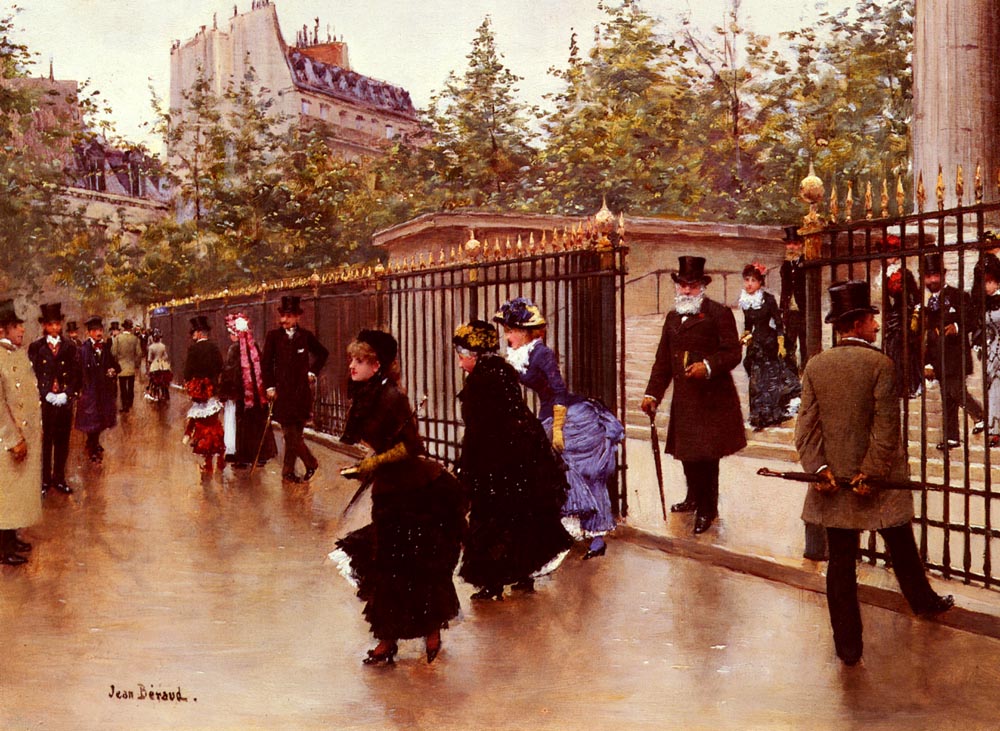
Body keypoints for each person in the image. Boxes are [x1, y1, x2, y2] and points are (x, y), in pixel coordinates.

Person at [796, 280, 954, 666]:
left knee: (841, 563)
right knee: (899, 541)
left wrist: (818, 469)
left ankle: (848, 648)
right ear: (858, 322)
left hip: (833, 481)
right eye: (872, 320)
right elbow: (885, 430)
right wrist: (871, 473)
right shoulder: (881, 364)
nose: (877, 326)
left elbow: (805, 429)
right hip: (876, 482)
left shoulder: (816, 365)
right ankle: (923, 602)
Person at [329, 329, 465, 665]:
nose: (352, 366)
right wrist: (370, 464)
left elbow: (411, 447)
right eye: (351, 359)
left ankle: (429, 633)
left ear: (377, 365)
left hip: (413, 491)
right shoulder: (367, 394)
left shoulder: (391, 397)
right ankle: (388, 640)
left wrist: (370, 464)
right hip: (389, 490)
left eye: (359, 360)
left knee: (413, 565)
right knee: (387, 566)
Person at [493, 298, 624, 559]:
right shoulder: (523, 354)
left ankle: (595, 537)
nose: (507, 337)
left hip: (569, 416)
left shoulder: (542, 354)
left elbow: (559, 391)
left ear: (525, 332)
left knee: (579, 474)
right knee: (564, 474)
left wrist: (558, 429)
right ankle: (572, 532)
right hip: (549, 414)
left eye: (511, 331)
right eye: (506, 331)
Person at [453, 320, 573, 597]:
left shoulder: (482, 381)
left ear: (474, 355)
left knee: (492, 519)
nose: (460, 364)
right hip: (520, 456)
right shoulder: (500, 372)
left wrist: (467, 466)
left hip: (498, 461)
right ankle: (522, 575)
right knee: (519, 516)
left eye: (462, 357)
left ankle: (493, 582)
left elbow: (481, 430)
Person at [640, 256, 747, 534]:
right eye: (683, 285)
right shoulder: (673, 318)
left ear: (702, 286)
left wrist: (708, 366)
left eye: (692, 285)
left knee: (707, 457)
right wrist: (652, 394)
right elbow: (663, 359)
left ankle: (708, 508)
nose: (686, 291)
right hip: (685, 400)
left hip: (712, 399)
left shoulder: (718, 313)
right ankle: (692, 497)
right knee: (688, 453)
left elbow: (733, 352)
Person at [920, 252, 984, 450]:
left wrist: (957, 327)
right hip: (938, 359)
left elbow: (974, 320)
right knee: (947, 399)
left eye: (935, 275)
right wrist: (928, 363)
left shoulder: (958, 296)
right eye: (928, 276)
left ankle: (980, 415)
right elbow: (929, 337)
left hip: (956, 357)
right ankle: (952, 437)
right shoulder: (929, 303)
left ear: (943, 275)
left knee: (955, 391)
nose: (932, 280)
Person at [261, 295, 329, 483]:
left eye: (289, 316)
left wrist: (312, 372)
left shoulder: (305, 337)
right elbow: (265, 365)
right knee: (290, 435)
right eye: (282, 315)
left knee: (295, 435)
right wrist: (270, 386)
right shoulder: (273, 337)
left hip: (301, 395)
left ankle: (287, 472)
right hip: (282, 395)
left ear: (297, 317)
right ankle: (311, 462)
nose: (284, 320)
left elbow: (323, 354)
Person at [0, 299, 42, 566]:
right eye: (16, 326)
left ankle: (12, 538)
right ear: (2, 329)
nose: (21, 331)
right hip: (7, 438)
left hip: (24, 434)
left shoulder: (16, 353)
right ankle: (3, 549)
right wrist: (13, 439)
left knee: (17, 493)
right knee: (5, 493)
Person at [737, 263, 801, 430]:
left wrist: (781, 343)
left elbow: (779, 323)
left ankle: (771, 414)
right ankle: (758, 416)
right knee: (756, 381)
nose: (749, 284)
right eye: (746, 280)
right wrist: (745, 335)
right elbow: (748, 324)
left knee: (770, 379)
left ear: (760, 282)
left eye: (753, 280)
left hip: (770, 343)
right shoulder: (745, 300)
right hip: (756, 344)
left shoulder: (768, 299)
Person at [27, 302, 80, 496]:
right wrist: (44, 392)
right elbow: (33, 375)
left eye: (57, 324)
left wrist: (67, 393)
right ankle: (44, 481)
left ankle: (59, 478)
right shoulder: (36, 347)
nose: (55, 328)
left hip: (64, 402)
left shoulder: (70, 346)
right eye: (51, 325)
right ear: (44, 326)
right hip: (46, 402)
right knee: (46, 441)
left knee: (62, 441)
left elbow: (76, 374)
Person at [219, 312, 276, 468]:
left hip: (241, 396)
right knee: (256, 425)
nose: (230, 337)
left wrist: (224, 392)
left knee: (242, 427)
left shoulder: (233, 350)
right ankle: (260, 456)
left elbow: (229, 374)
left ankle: (243, 458)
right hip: (257, 395)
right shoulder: (254, 347)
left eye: (231, 334)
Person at [182, 315, 225, 474]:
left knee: (202, 427)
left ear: (200, 333)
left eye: (194, 332)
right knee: (214, 424)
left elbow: (187, 371)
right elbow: (220, 366)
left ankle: (208, 463)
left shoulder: (193, 349)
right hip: (212, 391)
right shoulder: (214, 347)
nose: (192, 335)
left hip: (199, 392)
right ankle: (220, 455)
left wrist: (190, 382)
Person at [75, 316, 120, 464]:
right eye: (95, 331)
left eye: (100, 330)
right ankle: (92, 447)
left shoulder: (106, 348)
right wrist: (80, 390)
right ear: (89, 333)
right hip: (90, 391)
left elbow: (114, 365)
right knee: (91, 420)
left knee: (101, 420)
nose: (99, 333)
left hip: (104, 390)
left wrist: (113, 370)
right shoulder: (83, 349)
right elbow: (79, 371)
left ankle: (94, 442)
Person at [974, 257, 1000, 448]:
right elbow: (982, 327)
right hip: (993, 349)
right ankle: (995, 431)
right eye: (983, 281)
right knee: (993, 388)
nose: (986, 285)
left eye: (989, 281)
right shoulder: (985, 302)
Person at [779, 225, 807, 373]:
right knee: (789, 342)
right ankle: (791, 371)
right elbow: (784, 289)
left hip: (804, 309)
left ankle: (806, 369)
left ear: (801, 245)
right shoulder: (785, 265)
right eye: (789, 244)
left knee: (805, 342)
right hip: (790, 310)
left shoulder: (806, 262)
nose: (791, 247)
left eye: (795, 244)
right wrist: (782, 309)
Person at [111, 318, 143, 413]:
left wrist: (117, 362)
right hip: (131, 366)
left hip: (121, 367)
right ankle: (130, 402)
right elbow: (139, 353)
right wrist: (136, 364)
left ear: (123, 328)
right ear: (130, 328)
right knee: (131, 386)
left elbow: (114, 352)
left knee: (123, 387)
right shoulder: (135, 339)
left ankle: (125, 405)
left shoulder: (118, 338)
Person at [144, 329, 172, 403]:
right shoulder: (163, 346)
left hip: (155, 365)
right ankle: (165, 393)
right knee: (164, 379)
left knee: (153, 380)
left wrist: (153, 361)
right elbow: (166, 356)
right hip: (163, 365)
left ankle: (154, 393)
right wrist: (161, 359)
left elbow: (149, 359)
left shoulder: (151, 347)